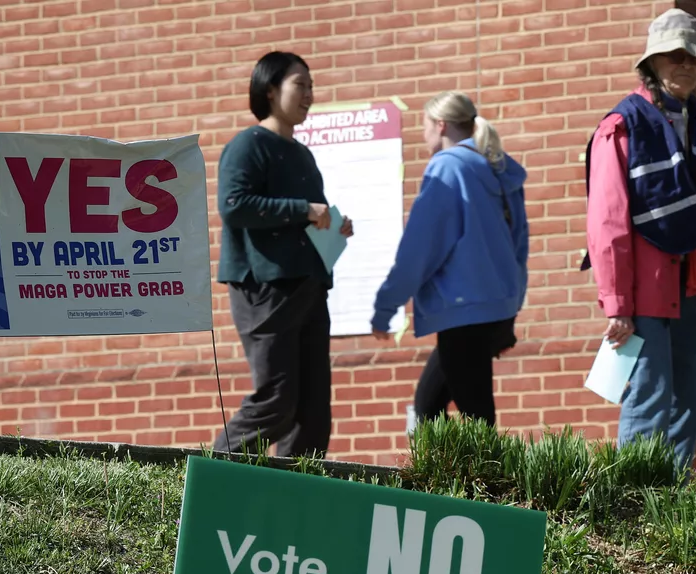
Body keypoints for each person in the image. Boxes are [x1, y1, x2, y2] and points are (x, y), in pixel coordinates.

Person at [583, 8, 696, 474]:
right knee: (649, 395)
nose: (684, 64)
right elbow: (607, 222)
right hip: (643, 289)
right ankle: (631, 506)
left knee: (687, 398)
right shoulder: (621, 125)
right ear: (653, 63)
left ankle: (669, 505)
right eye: (673, 56)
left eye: (693, 57)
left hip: (688, 282)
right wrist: (617, 304)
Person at [212, 51, 354, 458]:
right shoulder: (248, 145)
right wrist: (303, 210)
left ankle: (295, 501)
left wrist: (334, 224)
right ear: (270, 90)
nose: (309, 94)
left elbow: (310, 217)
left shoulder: (302, 154)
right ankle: (213, 476)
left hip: (309, 288)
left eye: (312, 86)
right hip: (265, 289)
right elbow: (234, 205)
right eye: (300, 84)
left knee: (313, 414)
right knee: (276, 403)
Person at [370, 91, 529, 427]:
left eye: (425, 125)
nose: (423, 134)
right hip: (495, 309)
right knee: (443, 405)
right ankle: (458, 478)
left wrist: (386, 306)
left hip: (461, 312)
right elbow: (519, 246)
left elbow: (419, 249)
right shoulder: (499, 169)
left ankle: (473, 479)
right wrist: (510, 308)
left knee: (461, 412)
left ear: (440, 124)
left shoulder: (447, 168)